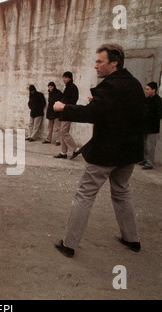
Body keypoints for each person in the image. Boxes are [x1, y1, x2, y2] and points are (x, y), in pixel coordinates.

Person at [53, 44, 145, 257]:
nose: (95, 66)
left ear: (114, 63)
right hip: (129, 152)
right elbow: (133, 113)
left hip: (107, 151)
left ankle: (69, 244)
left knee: (84, 194)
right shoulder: (134, 84)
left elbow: (91, 114)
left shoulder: (110, 87)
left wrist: (63, 108)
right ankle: (132, 239)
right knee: (122, 192)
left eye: (99, 61)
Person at [54, 72, 80, 159]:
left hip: (68, 112)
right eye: (63, 77)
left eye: (65, 77)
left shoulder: (72, 87)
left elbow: (72, 100)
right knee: (63, 132)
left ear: (69, 78)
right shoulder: (68, 87)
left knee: (64, 131)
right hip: (65, 112)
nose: (63, 79)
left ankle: (76, 149)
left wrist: (62, 105)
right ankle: (63, 152)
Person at [139, 82, 162, 170]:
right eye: (145, 89)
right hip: (145, 126)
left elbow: (159, 115)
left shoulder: (159, 101)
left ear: (154, 90)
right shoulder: (146, 99)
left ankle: (149, 163)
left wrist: (149, 115)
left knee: (151, 145)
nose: (146, 91)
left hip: (153, 127)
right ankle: (144, 160)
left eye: (148, 89)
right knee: (144, 144)